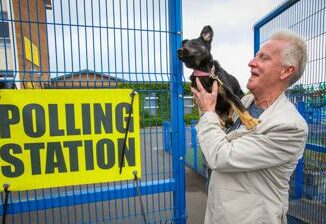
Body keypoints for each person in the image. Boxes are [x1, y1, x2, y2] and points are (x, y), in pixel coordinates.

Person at [191, 30, 308, 224]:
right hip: (219, 214)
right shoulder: (245, 102)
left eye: (264, 58)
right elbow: (213, 140)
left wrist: (208, 112)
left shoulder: (290, 127)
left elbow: (220, 156)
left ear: (286, 71)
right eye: (255, 56)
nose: (251, 62)